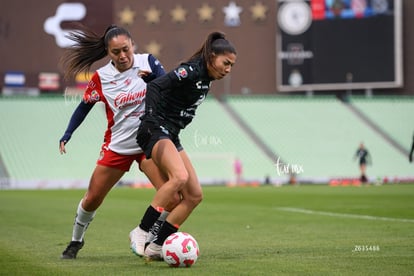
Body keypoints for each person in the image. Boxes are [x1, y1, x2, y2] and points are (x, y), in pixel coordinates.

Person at [58, 24, 177, 259]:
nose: (122, 56)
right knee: (92, 198)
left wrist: (153, 80)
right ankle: (76, 241)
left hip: (148, 142)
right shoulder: (101, 77)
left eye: (125, 49)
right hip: (118, 145)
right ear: (107, 52)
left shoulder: (148, 62)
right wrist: (68, 133)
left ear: (132, 44)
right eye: (115, 52)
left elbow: (169, 89)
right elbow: (84, 107)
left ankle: (151, 237)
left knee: (171, 194)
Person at [132, 31, 237, 261]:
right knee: (178, 177)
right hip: (155, 128)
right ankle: (141, 231)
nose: (228, 69)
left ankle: (156, 246)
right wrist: (150, 116)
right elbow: (157, 88)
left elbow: (167, 86)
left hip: (171, 135)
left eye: (231, 65)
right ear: (212, 56)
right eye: (225, 63)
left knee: (194, 195)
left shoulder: (205, 79)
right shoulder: (191, 70)